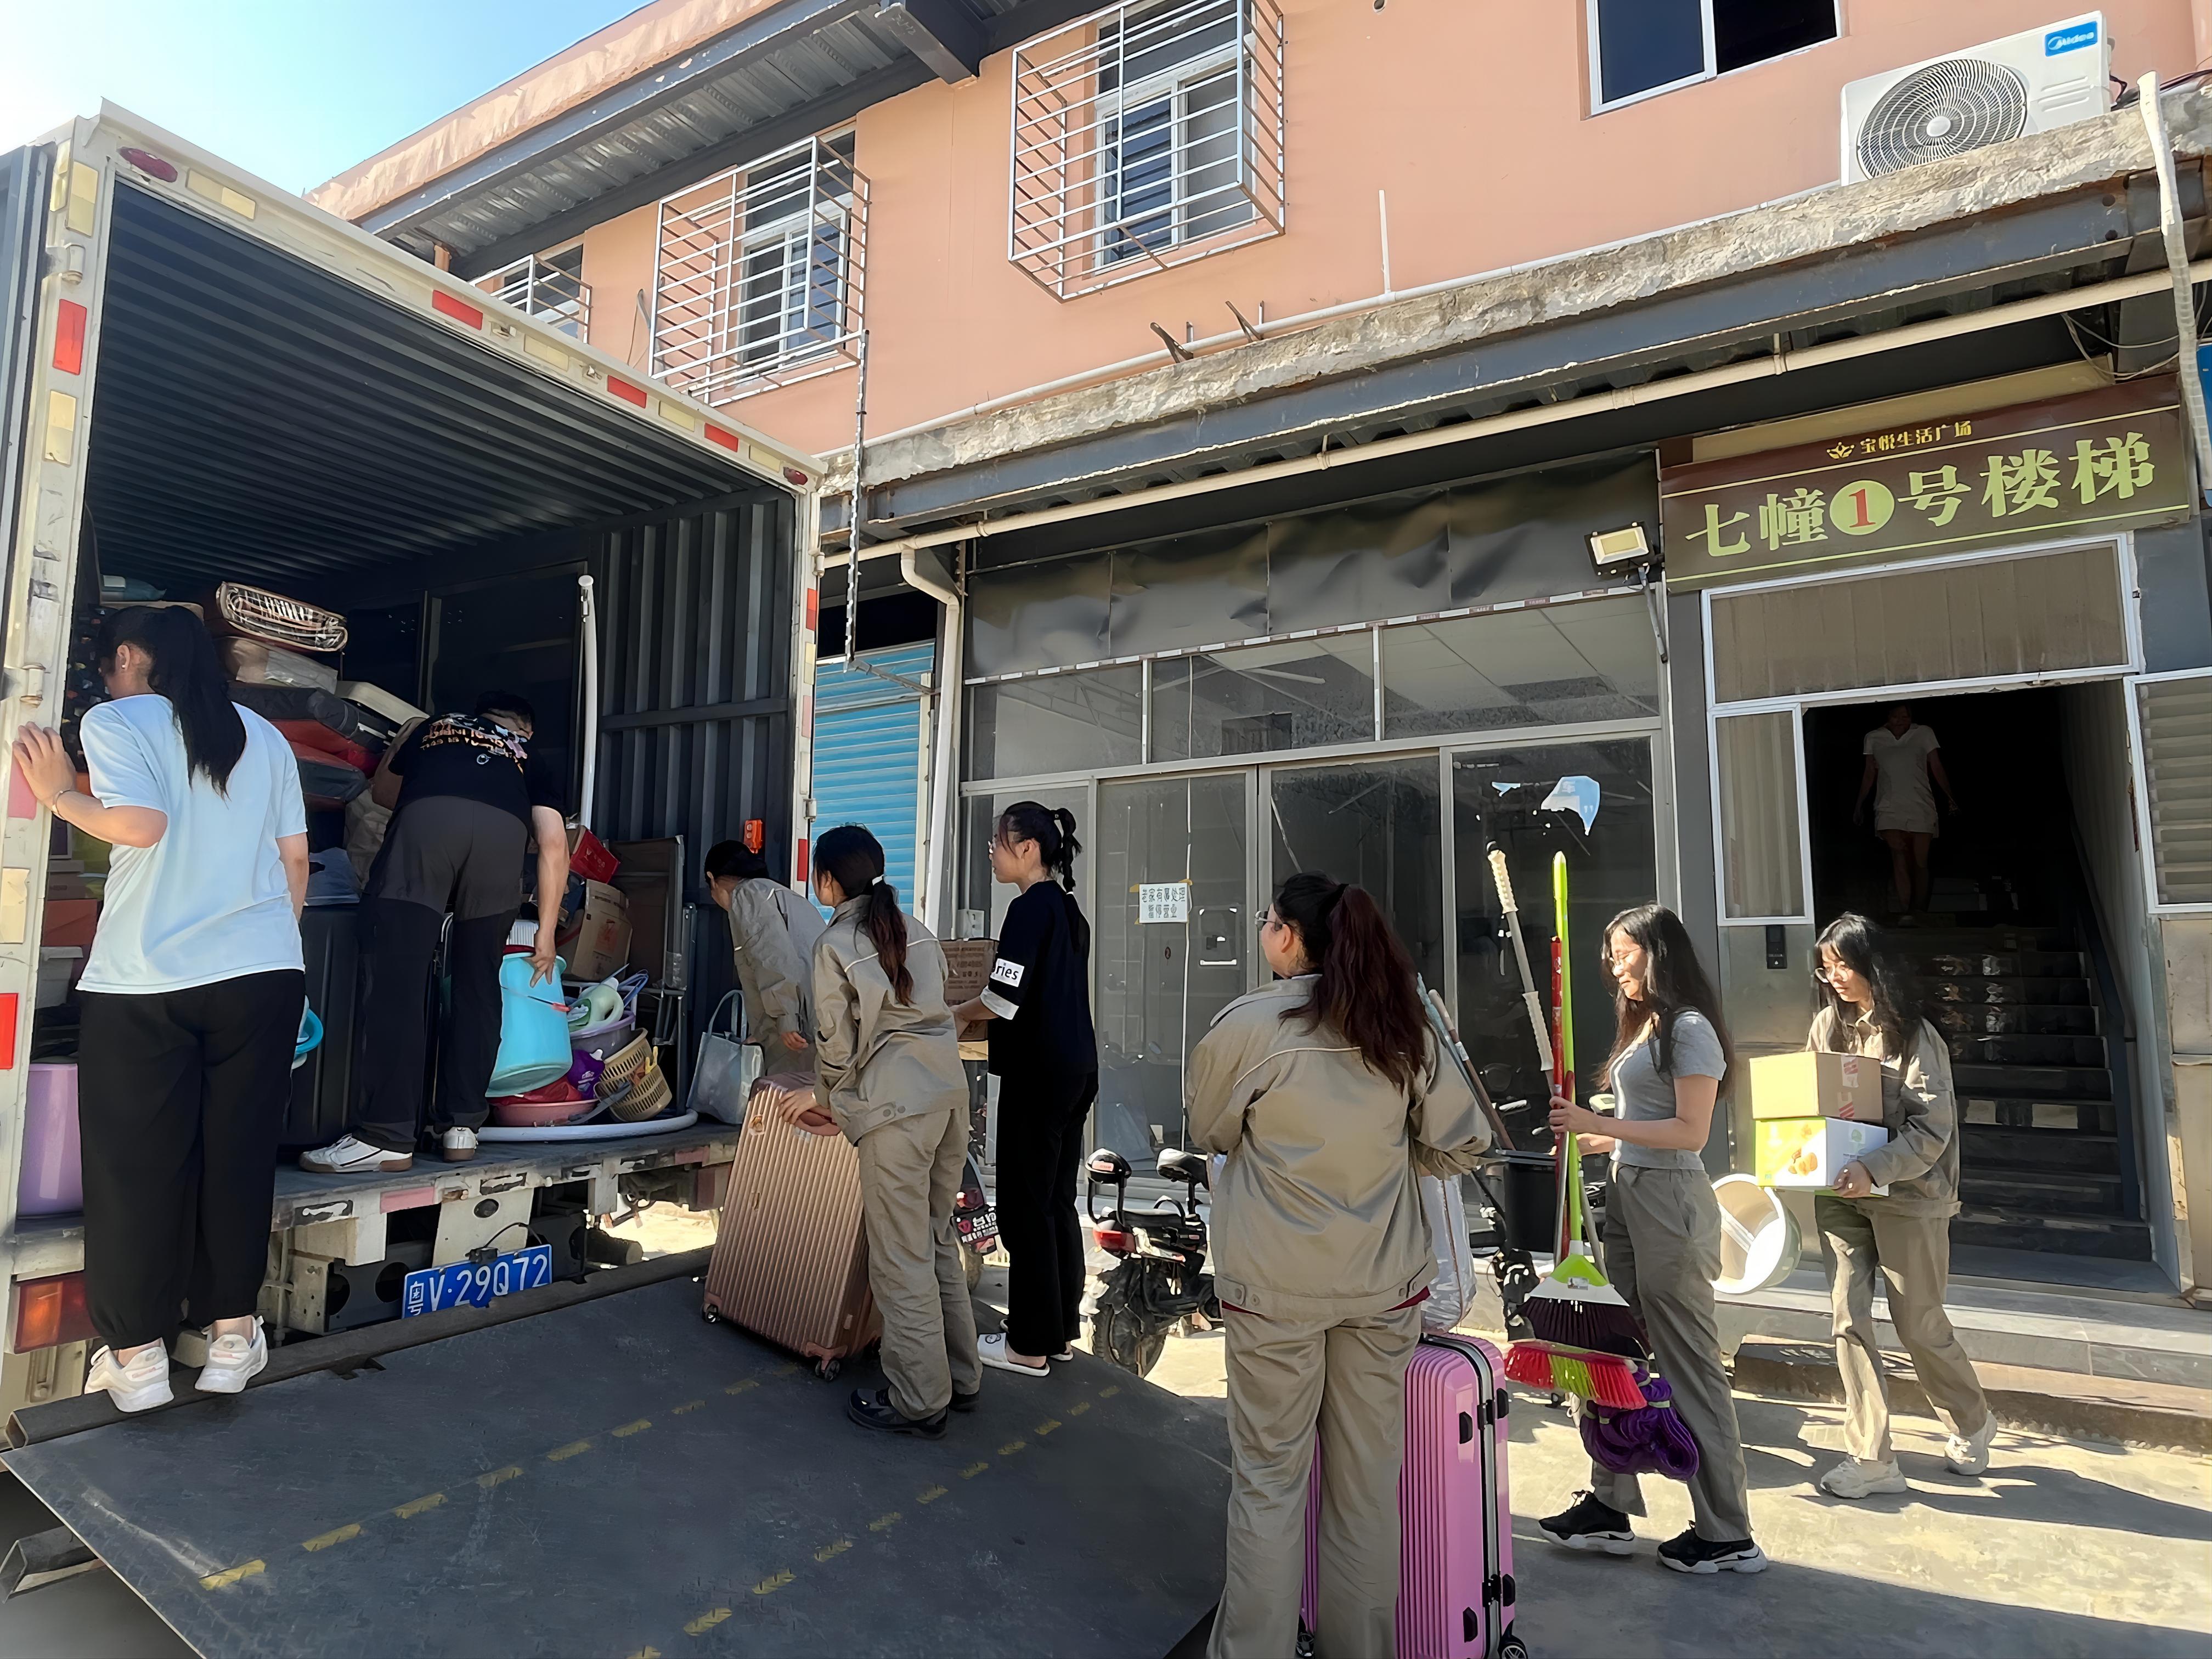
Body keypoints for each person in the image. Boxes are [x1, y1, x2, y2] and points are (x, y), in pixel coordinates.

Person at [12, 607, 308, 1412]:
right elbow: (296, 861)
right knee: (237, 1156)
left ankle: (138, 1357)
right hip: (261, 974)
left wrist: (59, 794)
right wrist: (278, 951)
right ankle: (232, 1340)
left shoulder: (117, 719)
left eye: (107, 665)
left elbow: (140, 826)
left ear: (129, 657)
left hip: (146, 978)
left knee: (135, 1165)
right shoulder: (264, 735)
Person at [1187, 872, 1490, 1659]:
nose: (1263, 932)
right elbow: (1464, 1141)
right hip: (1383, 1287)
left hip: (1273, 1289)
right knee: (1366, 1493)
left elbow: (1211, 1130)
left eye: (1267, 921)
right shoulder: (1398, 1022)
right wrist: (1394, 1157)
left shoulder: (1248, 1026)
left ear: (1288, 936)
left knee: (1269, 1485)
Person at [1539, 904, 1765, 1576]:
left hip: (1670, 1201)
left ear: (1657, 952)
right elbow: (1646, 1122)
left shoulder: (1689, 1028)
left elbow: (1691, 1133)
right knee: (1612, 1350)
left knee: (1687, 1363)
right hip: (1631, 1191)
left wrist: (1597, 1123)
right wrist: (1598, 1139)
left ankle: (1728, 1532)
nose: (1614, 965)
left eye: (1624, 952)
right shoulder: (1647, 1027)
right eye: (1609, 954)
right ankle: (1609, 1505)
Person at [761, 825, 982, 1438]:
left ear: (828, 881)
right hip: (948, 1099)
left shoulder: (835, 944)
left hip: (894, 1111)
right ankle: (959, 1378)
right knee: (935, 1239)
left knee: (900, 1258)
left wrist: (825, 1098)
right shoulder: (919, 931)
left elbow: (836, 1045)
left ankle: (919, 1400)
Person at [301, 692, 567, 1173]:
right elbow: (553, 845)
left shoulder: (435, 726)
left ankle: (386, 1135)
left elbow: (384, 795)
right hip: (502, 841)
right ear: (524, 729)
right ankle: (462, 1127)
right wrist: (545, 932)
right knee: (478, 986)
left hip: (429, 826)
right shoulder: (530, 754)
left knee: (397, 980)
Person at [1807, 911, 1995, 1497]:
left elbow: (1932, 1129)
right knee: (1849, 1319)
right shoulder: (1826, 1027)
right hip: (1841, 1193)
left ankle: (1971, 1419)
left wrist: (1875, 1169)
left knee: (1919, 1323)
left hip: (1910, 1196)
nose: (1835, 977)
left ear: (1873, 965)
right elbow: (1806, 1103)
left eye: (1843, 964)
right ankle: (1872, 1458)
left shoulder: (1916, 1036)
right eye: (1826, 968)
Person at [951, 803, 1097, 1378]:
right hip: (1075, 1070)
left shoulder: (1029, 909)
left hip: (1037, 1074)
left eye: (999, 841)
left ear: (1029, 849)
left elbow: (1001, 999)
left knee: (1024, 1207)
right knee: (1055, 1200)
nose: (992, 851)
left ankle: (1028, 1344)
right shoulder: (1069, 911)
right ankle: (1057, 1332)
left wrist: (953, 1015)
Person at [706, 838, 825, 1062]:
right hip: (818, 1017)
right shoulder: (774, 892)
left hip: (798, 1027)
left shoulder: (746, 895)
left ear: (712, 879)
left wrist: (786, 1017)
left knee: (785, 1083)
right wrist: (763, 1034)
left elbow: (772, 958)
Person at [1853, 703, 1959, 916]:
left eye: (1906, 716)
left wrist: (1950, 796)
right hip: (1888, 806)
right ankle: (1906, 913)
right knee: (1898, 856)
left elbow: (1936, 766)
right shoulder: (1874, 737)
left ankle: (1919, 910)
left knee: (1920, 862)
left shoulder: (1924, 733)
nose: (1901, 721)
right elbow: (1869, 773)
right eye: (1896, 716)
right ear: (1888, 717)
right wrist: (1859, 805)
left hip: (1920, 804)